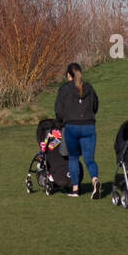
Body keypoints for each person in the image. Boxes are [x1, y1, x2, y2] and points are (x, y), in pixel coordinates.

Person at [54, 62, 99, 199]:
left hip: (72, 127)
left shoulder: (64, 89)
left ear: (68, 75)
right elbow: (95, 106)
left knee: (73, 158)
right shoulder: (89, 88)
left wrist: (61, 122)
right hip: (89, 126)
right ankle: (94, 180)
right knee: (89, 159)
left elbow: (58, 110)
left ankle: (75, 189)